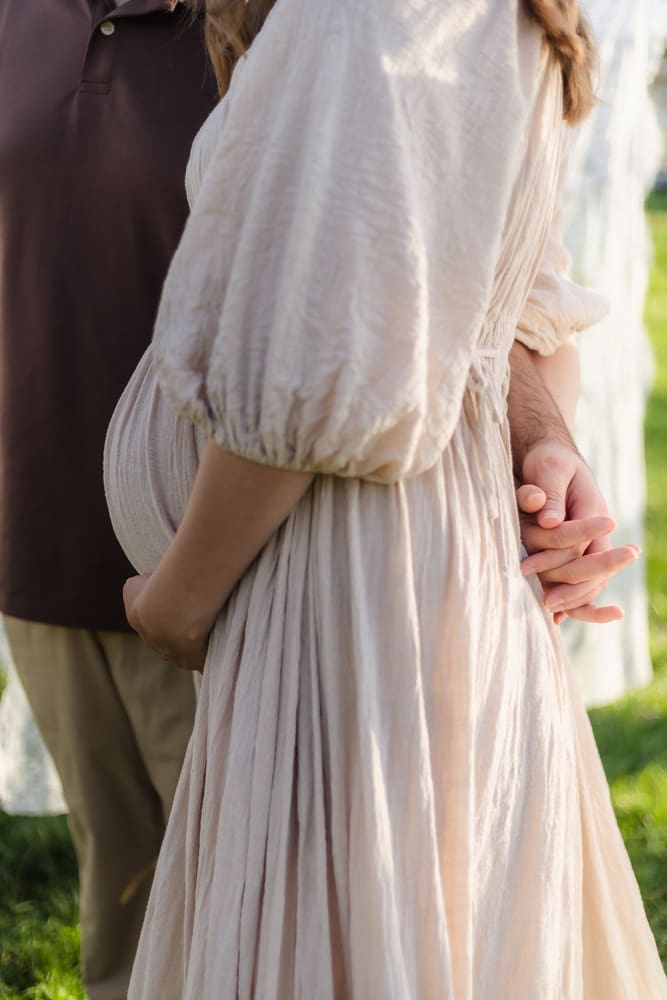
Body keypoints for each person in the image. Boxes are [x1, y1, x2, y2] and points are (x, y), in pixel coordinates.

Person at [104, 0, 667, 996]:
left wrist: (177, 600)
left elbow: (317, 379)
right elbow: (491, 297)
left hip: (356, 600)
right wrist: (547, 444)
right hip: (399, 574)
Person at [0, 2, 217, 997]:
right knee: (117, 899)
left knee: (239, 894)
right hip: (31, 527)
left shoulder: (254, 32)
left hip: (208, 551)